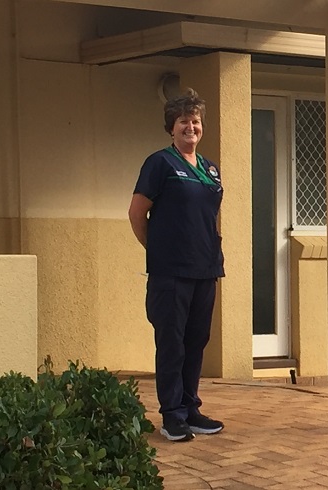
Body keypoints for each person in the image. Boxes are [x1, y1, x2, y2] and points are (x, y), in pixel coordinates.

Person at [128, 88, 225, 442]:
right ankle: (171, 415)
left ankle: (190, 408)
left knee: (197, 340)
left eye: (196, 121)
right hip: (171, 273)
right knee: (171, 342)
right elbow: (137, 213)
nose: (191, 126)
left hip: (205, 269)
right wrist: (158, 250)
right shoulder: (160, 164)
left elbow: (208, 217)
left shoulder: (210, 169)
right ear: (172, 127)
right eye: (184, 120)